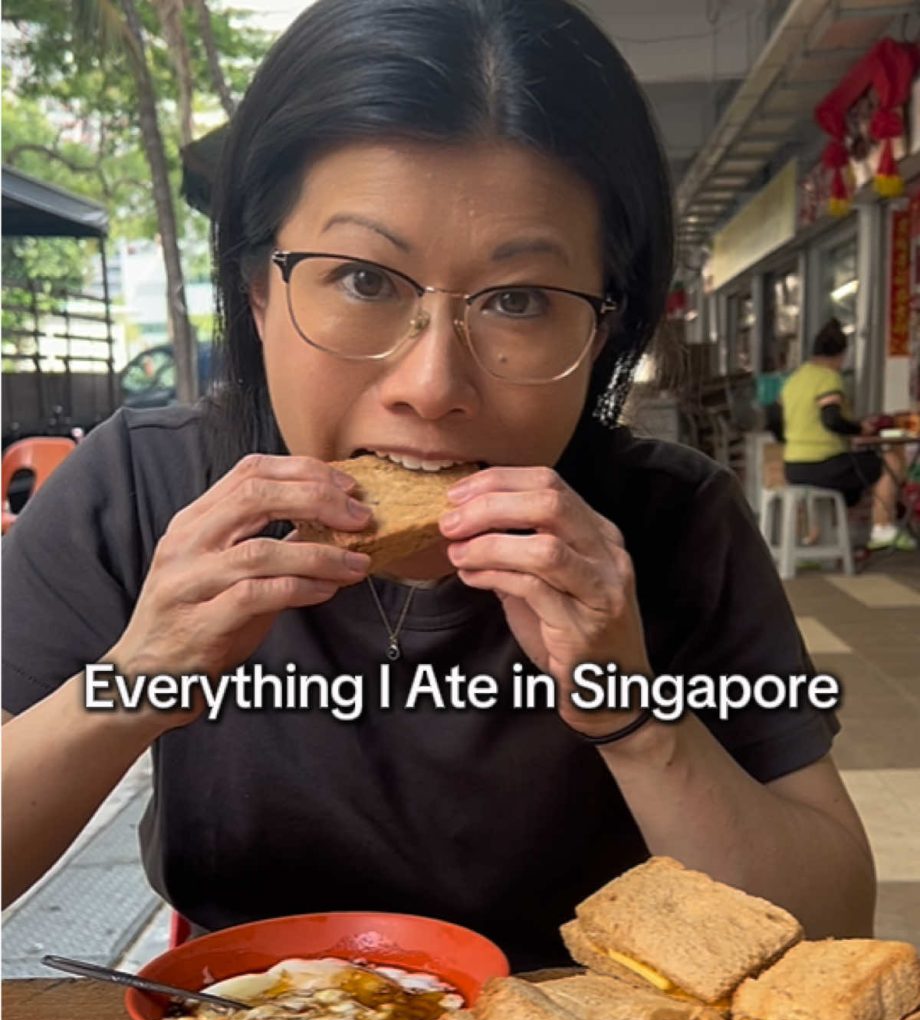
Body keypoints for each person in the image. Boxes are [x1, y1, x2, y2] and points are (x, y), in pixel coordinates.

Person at [2, 0, 874, 969]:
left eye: (518, 300)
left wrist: (634, 717)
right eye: (363, 280)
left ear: (604, 332)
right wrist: (134, 682)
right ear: (257, 292)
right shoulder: (141, 486)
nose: (430, 386)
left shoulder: (674, 523)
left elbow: (832, 926)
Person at [782, 317, 916, 550]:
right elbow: (831, 418)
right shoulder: (828, 378)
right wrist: (859, 429)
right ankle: (882, 528)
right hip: (823, 464)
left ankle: (816, 540)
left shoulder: (795, 379)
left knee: (858, 469)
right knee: (889, 462)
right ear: (841, 355)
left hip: (793, 466)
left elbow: (777, 419)